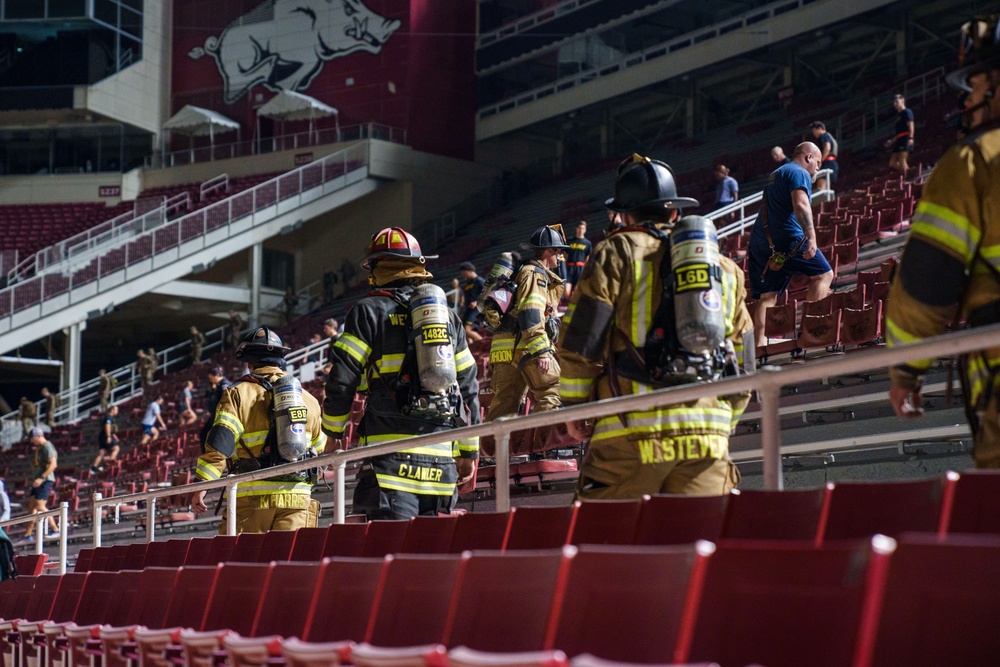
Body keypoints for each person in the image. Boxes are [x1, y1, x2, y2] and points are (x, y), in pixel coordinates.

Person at [558, 154, 754, 498]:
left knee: (605, 546)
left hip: (630, 437)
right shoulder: (726, 269)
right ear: (674, 212)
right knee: (699, 546)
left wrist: (575, 409)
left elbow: (582, 341)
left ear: (624, 215)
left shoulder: (616, 252)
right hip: (707, 441)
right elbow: (744, 361)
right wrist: (724, 422)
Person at [886, 15, 1000, 469]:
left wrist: (906, 372)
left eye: (974, 86)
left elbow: (927, 280)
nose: (967, 100)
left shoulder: (975, 160)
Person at [323, 227, 480, 520]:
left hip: (389, 459)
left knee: (390, 555)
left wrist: (332, 432)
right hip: (441, 459)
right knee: (432, 556)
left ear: (377, 268)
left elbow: (343, 378)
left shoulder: (367, 310)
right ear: (419, 266)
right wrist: (469, 451)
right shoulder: (448, 317)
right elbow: (468, 385)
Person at [192, 327, 327, 533]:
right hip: (298, 499)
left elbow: (221, 444)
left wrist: (201, 485)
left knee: (244, 563)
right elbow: (319, 446)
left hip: (252, 499)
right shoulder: (308, 399)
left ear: (250, 363)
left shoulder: (237, 394)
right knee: (288, 563)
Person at [748, 142, 834, 347]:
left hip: (762, 242)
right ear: (808, 157)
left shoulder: (776, 173)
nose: (818, 169)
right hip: (787, 240)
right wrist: (811, 237)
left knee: (767, 296)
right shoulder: (798, 171)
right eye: (818, 163)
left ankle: (759, 345)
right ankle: (810, 332)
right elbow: (801, 204)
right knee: (824, 275)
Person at [486, 225, 567, 420]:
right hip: (526, 346)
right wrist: (541, 351)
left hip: (503, 350)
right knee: (554, 392)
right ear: (549, 251)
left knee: (503, 408)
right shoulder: (536, 274)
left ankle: (493, 448)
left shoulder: (523, 271)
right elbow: (531, 314)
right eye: (559, 251)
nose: (561, 256)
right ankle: (541, 446)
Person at [22, 428, 59, 542]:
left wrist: (41, 478)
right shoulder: (40, 448)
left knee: (39, 505)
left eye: (32, 438)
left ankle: (55, 529)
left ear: (38, 436)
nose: (31, 441)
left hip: (44, 480)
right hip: (38, 480)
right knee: (31, 506)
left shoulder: (47, 447)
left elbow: (53, 464)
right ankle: (27, 534)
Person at [199, 366, 231, 448]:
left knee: (207, 436)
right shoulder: (218, 386)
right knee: (204, 435)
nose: (211, 381)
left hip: (221, 417)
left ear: (217, 375)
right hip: (216, 415)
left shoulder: (224, 386)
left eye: (211, 378)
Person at [886, 94, 915, 175]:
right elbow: (899, 132)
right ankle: (910, 172)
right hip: (899, 139)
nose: (895, 104)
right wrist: (891, 141)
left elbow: (911, 125)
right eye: (894, 102)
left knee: (902, 160)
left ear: (902, 100)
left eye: (896, 102)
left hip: (905, 138)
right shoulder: (898, 116)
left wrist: (911, 138)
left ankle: (908, 175)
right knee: (892, 163)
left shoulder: (907, 112)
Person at [564, 220, 593, 300]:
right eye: (579, 228)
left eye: (583, 228)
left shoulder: (587, 243)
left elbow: (587, 258)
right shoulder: (569, 241)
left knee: (577, 291)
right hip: (569, 268)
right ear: (576, 229)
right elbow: (565, 255)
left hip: (580, 268)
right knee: (567, 292)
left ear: (585, 230)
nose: (581, 230)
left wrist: (586, 271)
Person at [459, 261, 486, 343]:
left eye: (463, 273)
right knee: (463, 332)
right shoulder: (468, 284)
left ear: (469, 270)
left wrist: (476, 302)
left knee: (467, 331)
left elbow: (488, 294)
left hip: (477, 310)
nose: (462, 275)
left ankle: (484, 345)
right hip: (469, 310)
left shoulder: (480, 281)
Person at [809, 121, 839, 189]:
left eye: (814, 130)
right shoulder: (830, 136)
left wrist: (820, 161)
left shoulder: (824, 136)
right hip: (832, 163)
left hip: (827, 163)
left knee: (821, 185)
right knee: (827, 186)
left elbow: (827, 148)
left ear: (819, 128)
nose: (813, 133)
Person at [91, 405, 120, 474]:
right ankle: (108, 465)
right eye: (116, 410)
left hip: (102, 436)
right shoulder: (109, 418)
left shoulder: (110, 417)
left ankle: (93, 469)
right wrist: (109, 436)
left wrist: (115, 436)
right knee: (116, 448)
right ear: (112, 410)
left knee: (102, 453)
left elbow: (110, 429)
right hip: (105, 436)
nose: (117, 411)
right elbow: (107, 427)